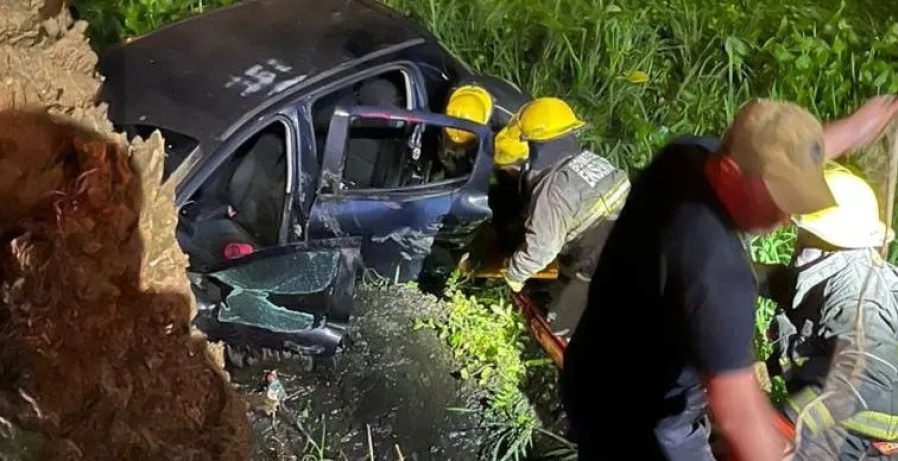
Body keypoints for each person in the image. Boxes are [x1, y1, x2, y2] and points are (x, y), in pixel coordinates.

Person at [561, 95, 898, 461]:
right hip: (643, 421)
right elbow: (739, 417)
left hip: (595, 364)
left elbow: (779, 157)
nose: (784, 219)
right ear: (730, 174)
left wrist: (855, 127)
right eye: (775, 201)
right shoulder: (717, 277)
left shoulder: (684, 160)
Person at [759, 164, 898, 460]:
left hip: (860, 434)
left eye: (802, 230)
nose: (795, 236)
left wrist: (785, 422)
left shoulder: (858, 301)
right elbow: (795, 292)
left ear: (823, 239)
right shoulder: (835, 267)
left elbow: (866, 382)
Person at [495, 97, 631, 338]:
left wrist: (514, 275)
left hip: (601, 265)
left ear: (534, 146)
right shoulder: (594, 161)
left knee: (563, 324)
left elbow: (543, 249)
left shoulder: (552, 191)